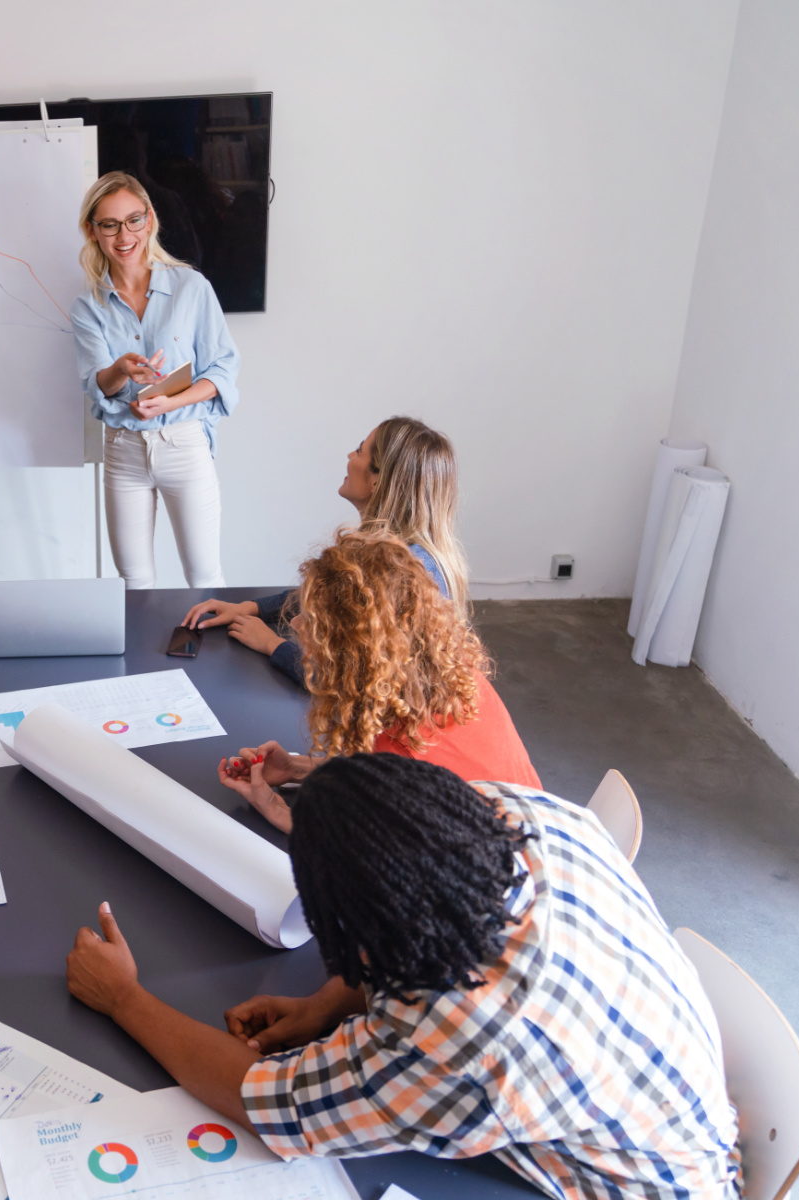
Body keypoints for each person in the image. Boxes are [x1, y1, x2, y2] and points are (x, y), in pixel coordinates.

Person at [65, 754, 742, 1199]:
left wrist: (123, 997)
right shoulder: (520, 814)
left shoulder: (464, 1038)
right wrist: (327, 1003)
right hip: (661, 1107)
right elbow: (420, 916)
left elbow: (265, 1102)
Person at [216, 527, 539, 833]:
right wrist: (298, 768)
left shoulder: (400, 767)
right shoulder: (454, 672)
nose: (297, 623)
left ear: (353, 648)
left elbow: (367, 855)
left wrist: (277, 809)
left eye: (313, 621)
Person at [184, 416, 465, 683]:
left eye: (359, 451)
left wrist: (273, 645)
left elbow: (350, 683)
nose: (349, 457)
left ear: (378, 481)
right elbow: (327, 597)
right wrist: (251, 607)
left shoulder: (395, 575)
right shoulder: (406, 554)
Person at [71, 171, 240, 590]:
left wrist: (171, 403)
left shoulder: (191, 287)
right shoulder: (87, 305)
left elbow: (221, 370)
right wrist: (121, 370)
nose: (123, 235)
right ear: (92, 231)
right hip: (124, 451)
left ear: (149, 221)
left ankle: (209, 657)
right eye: (109, 224)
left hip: (183, 444)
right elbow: (99, 386)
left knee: (205, 577)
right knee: (134, 582)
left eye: (133, 220)